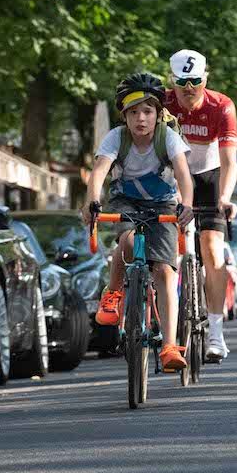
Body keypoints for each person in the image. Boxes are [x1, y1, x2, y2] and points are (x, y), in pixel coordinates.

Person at [85, 73, 193, 372]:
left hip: (163, 205)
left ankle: (170, 345)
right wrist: (93, 202)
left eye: (147, 111)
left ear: (159, 114)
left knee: (165, 271)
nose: (140, 119)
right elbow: (98, 172)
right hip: (125, 202)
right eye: (133, 112)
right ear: (125, 116)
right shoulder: (116, 137)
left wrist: (187, 203)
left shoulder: (167, 137)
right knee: (127, 242)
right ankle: (114, 293)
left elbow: (183, 174)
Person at [163, 49, 237, 362]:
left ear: (205, 79)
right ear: (172, 81)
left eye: (196, 81)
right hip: (170, 176)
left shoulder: (221, 106)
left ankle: (217, 335)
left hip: (209, 178)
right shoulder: (162, 103)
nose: (190, 88)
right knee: (165, 249)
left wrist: (225, 197)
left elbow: (229, 161)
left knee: (211, 248)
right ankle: (162, 318)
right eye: (183, 83)